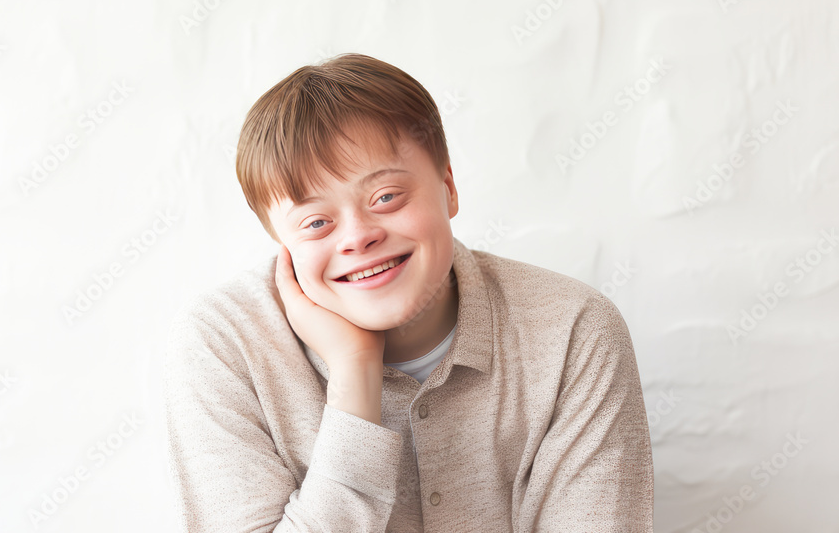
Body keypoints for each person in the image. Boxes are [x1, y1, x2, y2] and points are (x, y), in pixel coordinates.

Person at [163, 53, 654, 532]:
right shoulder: (222, 343)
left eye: (386, 197)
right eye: (315, 222)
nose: (358, 237)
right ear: (280, 242)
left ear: (449, 188)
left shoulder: (572, 329)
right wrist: (355, 373)